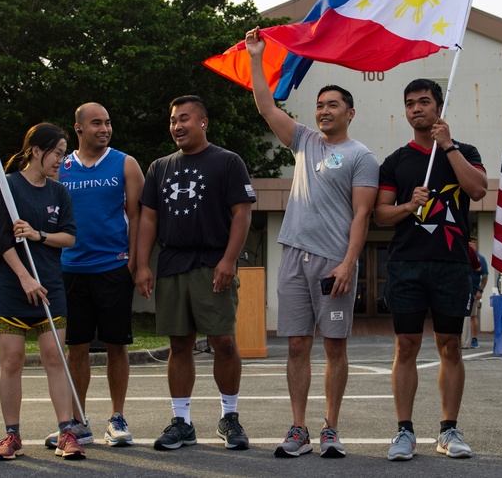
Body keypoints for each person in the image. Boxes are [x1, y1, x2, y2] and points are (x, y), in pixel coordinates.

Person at [246, 28, 379, 458]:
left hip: (333, 264)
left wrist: (347, 263)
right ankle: (298, 428)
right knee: (298, 344)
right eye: (320, 105)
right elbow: (266, 107)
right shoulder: (304, 141)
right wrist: (255, 56)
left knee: (334, 345)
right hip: (293, 256)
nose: (324, 111)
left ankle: (331, 429)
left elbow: (362, 214)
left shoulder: (361, 156)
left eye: (333, 105)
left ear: (350, 113)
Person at [374, 79, 487, 461]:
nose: (416, 109)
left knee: (450, 345)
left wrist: (448, 147)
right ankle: (404, 431)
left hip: (452, 264)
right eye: (410, 104)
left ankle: (448, 429)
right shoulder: (395, 162)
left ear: (439, 107)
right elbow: (381, 214)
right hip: (406, 263)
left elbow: (477, 189)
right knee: (406, 346)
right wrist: (409, 206)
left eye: (424, 102)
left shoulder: (464, 150)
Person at [135, 95, 256, 452]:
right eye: (173, 120)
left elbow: (242, 214)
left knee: (223, 341)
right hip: (172, 263)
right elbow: (149, 219)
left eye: (184, 119)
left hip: (212, 262)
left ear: (203, 122)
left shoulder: (228, 162)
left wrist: (229, 259)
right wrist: (143, 264)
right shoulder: (159, 167)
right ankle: (182, 422)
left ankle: (230, 417)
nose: (177, 126)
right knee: (179, 344)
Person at [0, 123, 83, 461]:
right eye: (57, 153)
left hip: (50, 286)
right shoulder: (7, 186)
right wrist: (24, 277)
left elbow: (69, 237)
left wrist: (39, 235)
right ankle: (11, 435)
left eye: (63, 153)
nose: (61, 160)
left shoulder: (59, 192)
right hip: (11, 286)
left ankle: (66, 433)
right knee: (11, 360)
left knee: (55, 357)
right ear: (36, 151)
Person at [52, 102, 144, 448]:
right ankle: (77, 421)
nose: (104, 129)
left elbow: (138, 217)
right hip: (69, 270)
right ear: (78, 129)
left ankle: (117, 417)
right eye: (96, 124)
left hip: (113, 267)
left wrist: (136, 261)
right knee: (75, 348)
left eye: (107, 122)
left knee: (116, 346)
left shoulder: (126, 163)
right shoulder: (61, 167)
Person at [466, 239, 488, 349]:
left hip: (474, 290)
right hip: (462, 289)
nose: (471, 246)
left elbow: (484, 275)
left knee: (473, 315)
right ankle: (462, 339)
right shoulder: (463, 254)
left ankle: (474, 338)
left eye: (472, 244)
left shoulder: (481, 259)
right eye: (469, 244)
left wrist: (480, 290)